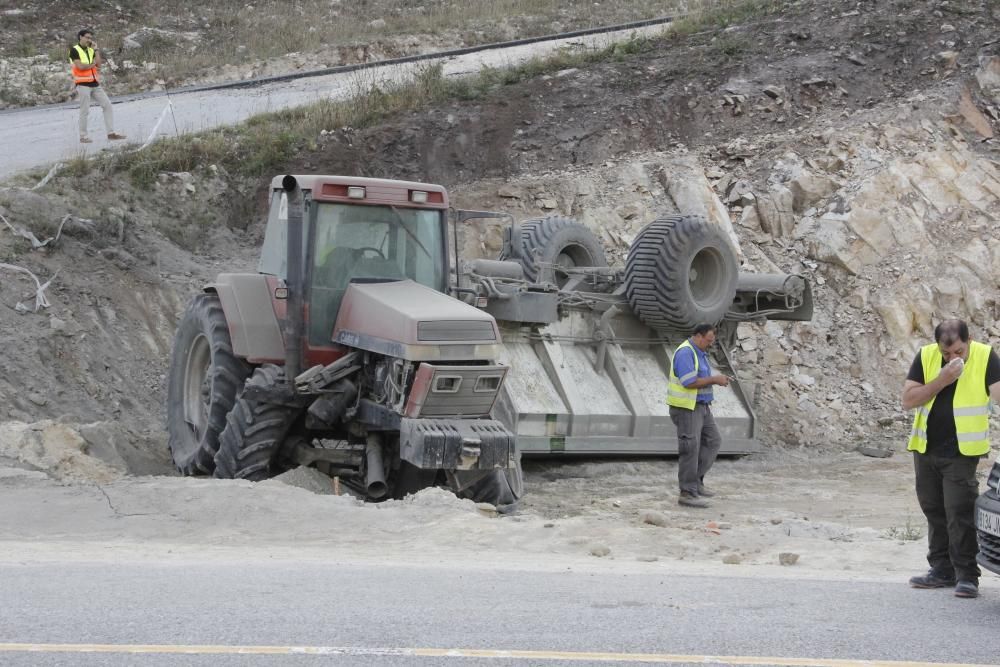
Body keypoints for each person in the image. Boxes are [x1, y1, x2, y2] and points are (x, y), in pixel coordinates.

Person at [902, 319, 1000, 599]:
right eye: (946, 353)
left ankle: (967, 575)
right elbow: (908, 400)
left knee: (959, 512)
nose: (952, 358)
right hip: (926, 448)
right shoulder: (926, 356)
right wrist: (942, 379)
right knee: (934, 510)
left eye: (958, 352)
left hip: (961, 452)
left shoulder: (984, 355)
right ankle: (941, 569)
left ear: (968, 342)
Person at [667, 323, 731, 508]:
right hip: (687, 408)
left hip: (702, 406)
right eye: (709, 340)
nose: (710, 344)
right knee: (690, 449)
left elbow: (700, 376)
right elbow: (688, 382)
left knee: (713, 441)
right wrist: (714, 380)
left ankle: (696, 482)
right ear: (698, 336)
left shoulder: (699, 352)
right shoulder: (686, 352)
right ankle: (687, 493)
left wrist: (717, 378)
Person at [70, 29, 126, 144]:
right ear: (80, 37)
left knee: (107, 105)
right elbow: (80, 66)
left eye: (90, 38)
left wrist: (96, 50)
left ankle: (111, 133)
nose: (89, 40)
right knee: (84, 110)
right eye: (87, 37)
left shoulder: (91, 50)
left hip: (95, 83)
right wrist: (93, 65)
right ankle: (83, 136)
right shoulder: (74, 50)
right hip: (82, 84)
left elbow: (99, 64)